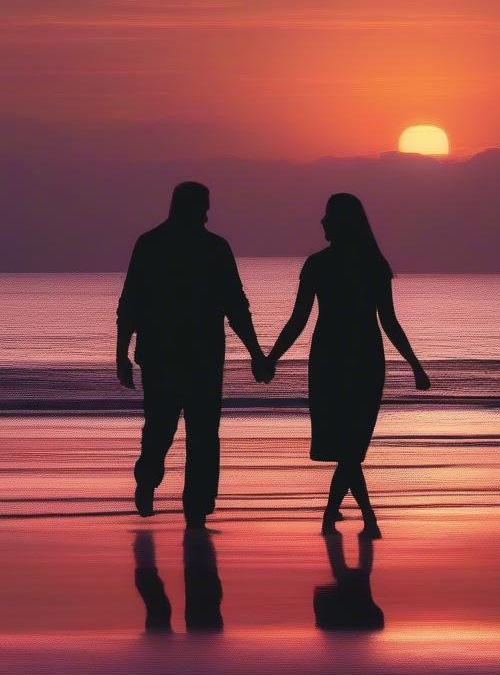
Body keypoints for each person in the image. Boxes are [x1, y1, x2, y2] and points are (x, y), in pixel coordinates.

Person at [266, 193, 430, 538]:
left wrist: (271, 358)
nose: (322, 222)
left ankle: (342, 515)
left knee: (349, 445)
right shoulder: (372, 264)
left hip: (332, 358)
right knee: (350, 445)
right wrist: (414, 365)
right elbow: (389, 322)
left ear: (340, 221)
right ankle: (356, 516)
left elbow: (299, 321)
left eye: (327, 216)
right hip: (363, 358)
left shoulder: (321, 264)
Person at [116, 181, 271, 528]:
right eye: (203, 206)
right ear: (190, 206)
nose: (206, 213)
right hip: (190, 354)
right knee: (185, 429)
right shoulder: (206, 247)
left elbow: (130, 304)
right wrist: (256, 353)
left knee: (172, 427)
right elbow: (235, 306)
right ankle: (177, 495)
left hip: (170, 354)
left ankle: (186, 499)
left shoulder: (154, 244)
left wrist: (122, 354)